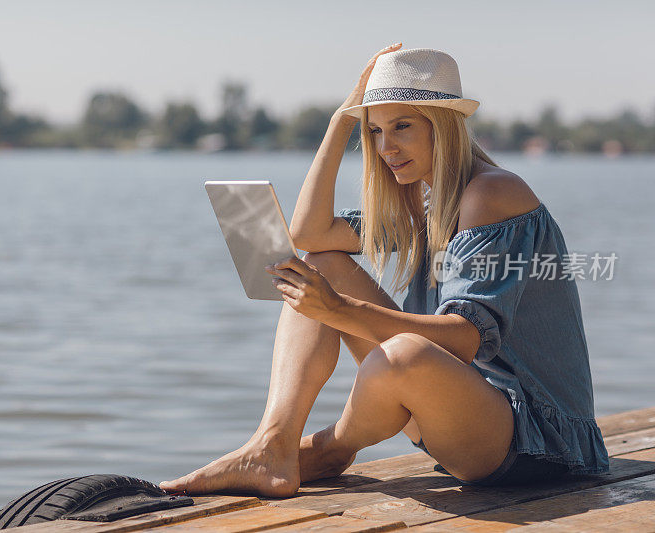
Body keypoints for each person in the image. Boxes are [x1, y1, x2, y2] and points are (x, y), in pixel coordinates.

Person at [159, 45, 610, 496]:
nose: (385, 147)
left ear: (444, 125)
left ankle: (331, 448)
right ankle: (273, 443)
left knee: (405, 354)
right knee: (320, 267)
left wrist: (338, 309)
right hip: (454, 416)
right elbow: (311, 235)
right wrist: (341, 121)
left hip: (531, 443)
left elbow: (464, 339)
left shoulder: (492, 192)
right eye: (373, 131)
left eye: (402, 126)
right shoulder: (424, 201)